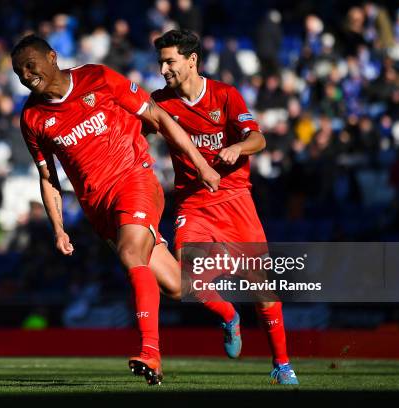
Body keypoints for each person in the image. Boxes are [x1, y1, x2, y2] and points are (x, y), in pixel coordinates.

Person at [12, 34, 220, 385]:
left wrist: (200, 164)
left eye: (30, 65)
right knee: (174, 285)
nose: (26, 75)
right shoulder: (32, 118)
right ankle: (228, 309)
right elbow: (47, 177)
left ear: (52, 56)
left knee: (129, 255)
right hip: (99, 206)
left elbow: (157, 116)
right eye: (19, 71)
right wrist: (58, 228)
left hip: (134, 181)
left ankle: (151, 353)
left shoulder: (97, 78)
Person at [151, 29, 299, 385]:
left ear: (192, 60)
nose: (164, 69)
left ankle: (282, 364)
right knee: (185, 277)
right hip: (193, 201)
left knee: (262, 289)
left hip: (235, 201)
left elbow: (258, 138)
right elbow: (134, 131)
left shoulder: (225, 95)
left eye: (170, 61)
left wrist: (239, 148)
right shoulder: (160, 101)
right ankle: (228, 314)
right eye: (161, 62)